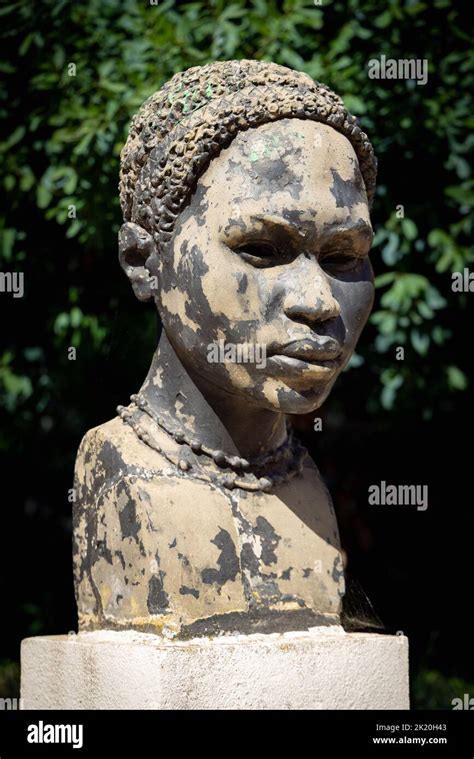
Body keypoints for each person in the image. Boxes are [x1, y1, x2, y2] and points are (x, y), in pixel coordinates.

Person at [73, 60, 377, 638]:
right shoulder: (120, 473)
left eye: (343, 256)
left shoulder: (303, 482)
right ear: (145, 262)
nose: (319, 301)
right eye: (262, 248)